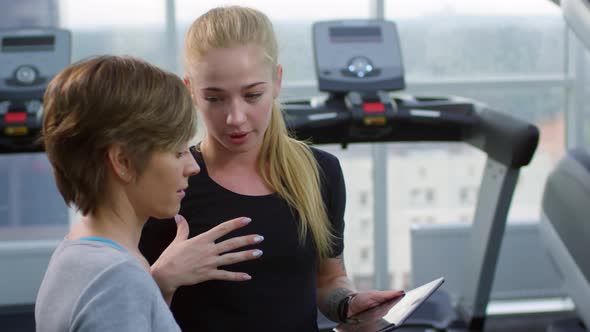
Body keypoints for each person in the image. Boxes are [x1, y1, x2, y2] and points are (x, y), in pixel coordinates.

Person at [139, 6, 405, 332]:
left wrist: (348, 304)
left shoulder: (321, 172)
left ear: (277, 81)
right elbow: (129, 312)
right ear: (191, 90)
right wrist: (160, 280)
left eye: (253, 95)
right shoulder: (169, 182)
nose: (235, 117)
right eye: (215, 98)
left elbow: (329, 278)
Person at [35, 55, 263, 331]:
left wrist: (159, 287)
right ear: (123, 161)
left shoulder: (77, 255)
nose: (192, 167)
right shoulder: (118, 279)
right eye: (177, 152)